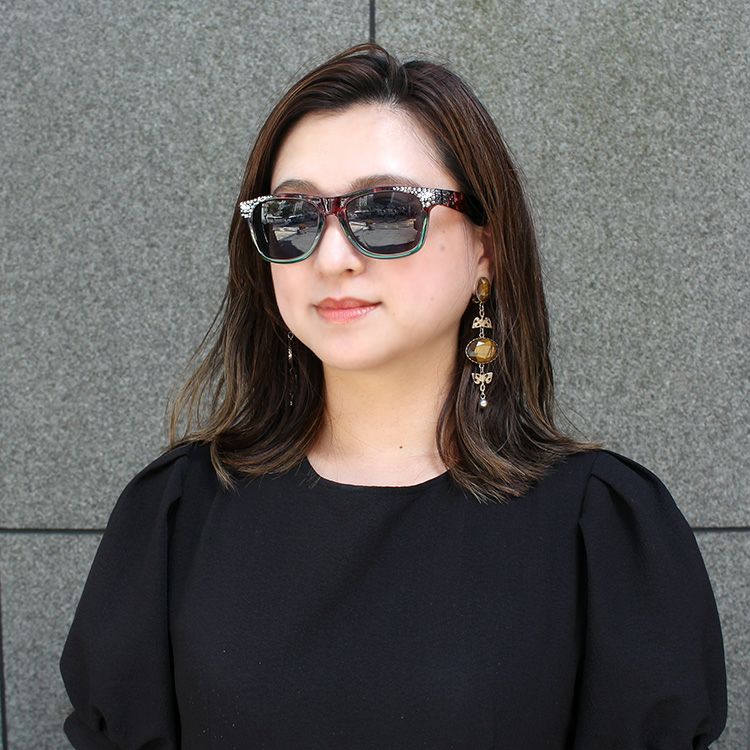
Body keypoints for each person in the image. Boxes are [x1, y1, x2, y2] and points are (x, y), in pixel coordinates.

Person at [59, 43, 727, 748]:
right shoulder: (177, 516)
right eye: (295, 216)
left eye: (384, 212)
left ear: (486, 249)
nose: (332, 257)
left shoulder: (601, 531)